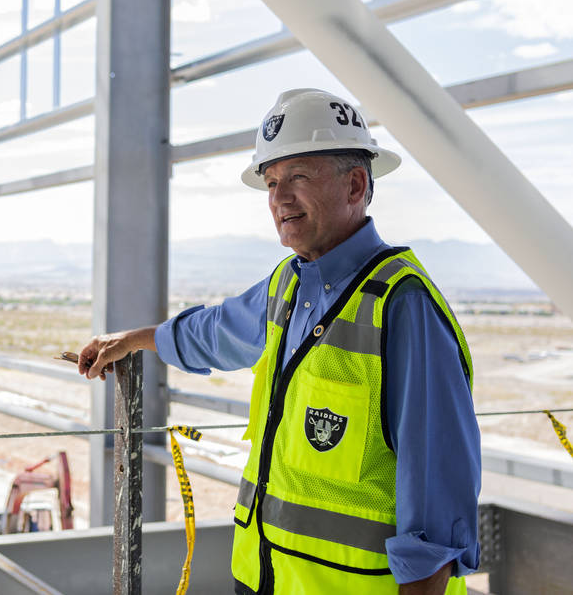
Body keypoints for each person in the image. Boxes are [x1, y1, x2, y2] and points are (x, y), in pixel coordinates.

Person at [78, 89, 480, 595]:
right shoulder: (288, 285)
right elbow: (217, 331)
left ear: (356, 184)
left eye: (298, 178)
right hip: (262, 579)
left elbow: (437, 511)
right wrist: (135, 340)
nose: (279, 199)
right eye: (271, 183)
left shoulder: (402, 307)